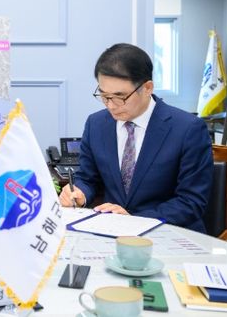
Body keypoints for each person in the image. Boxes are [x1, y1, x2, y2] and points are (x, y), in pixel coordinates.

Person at [58, 43, 213, 232]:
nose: (111, 105)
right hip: (111, 232)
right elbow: (87, 178)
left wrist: (133, 220)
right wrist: (80, 193)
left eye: (120, 96)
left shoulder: (188, 129)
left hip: (168, 233)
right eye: (104, 96)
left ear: (147, 88)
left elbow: (191, 202)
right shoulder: (96, 124)